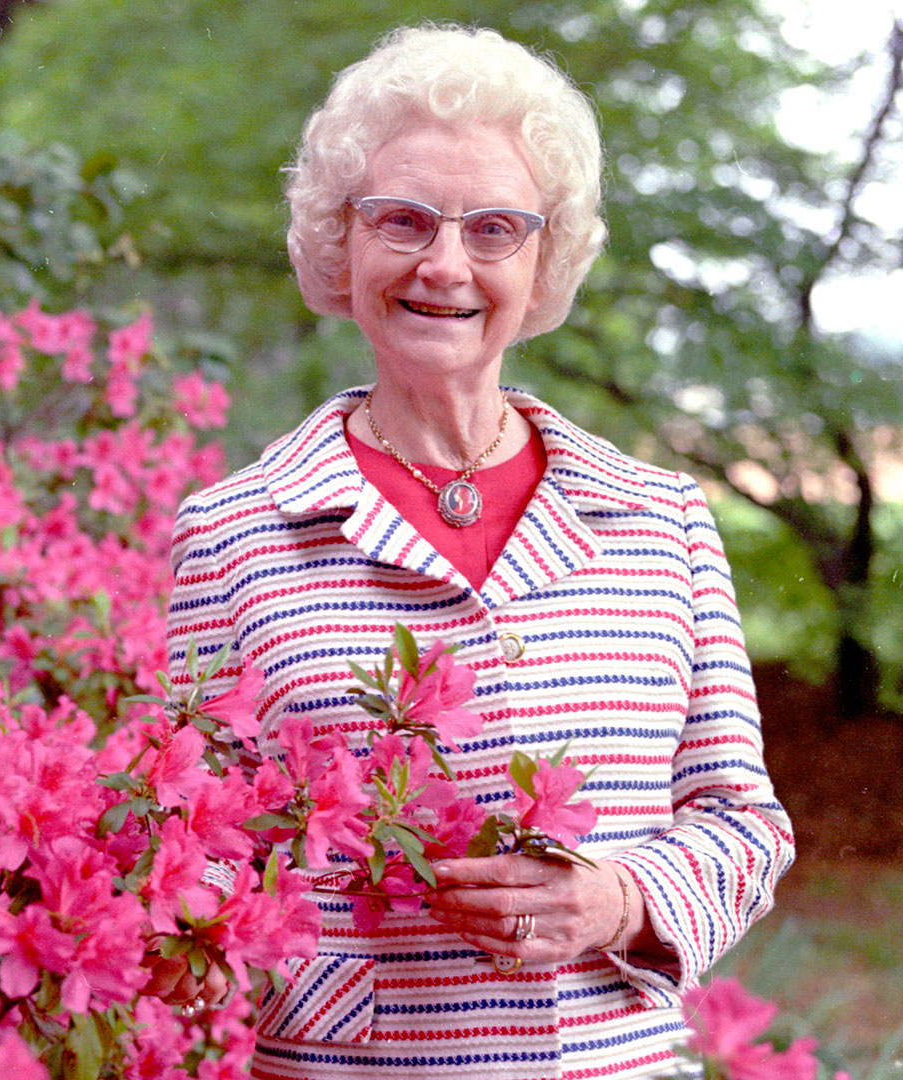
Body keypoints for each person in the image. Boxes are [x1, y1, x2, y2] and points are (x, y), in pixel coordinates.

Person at [164, 24, 794, 1079]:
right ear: (340, 239)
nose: (444, 265)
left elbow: (743, 824)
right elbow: (189, 836)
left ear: (544, 257)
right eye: (401, 220)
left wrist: (620, 900)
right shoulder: (233, 533)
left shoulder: (660, 521)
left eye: (494, 228)